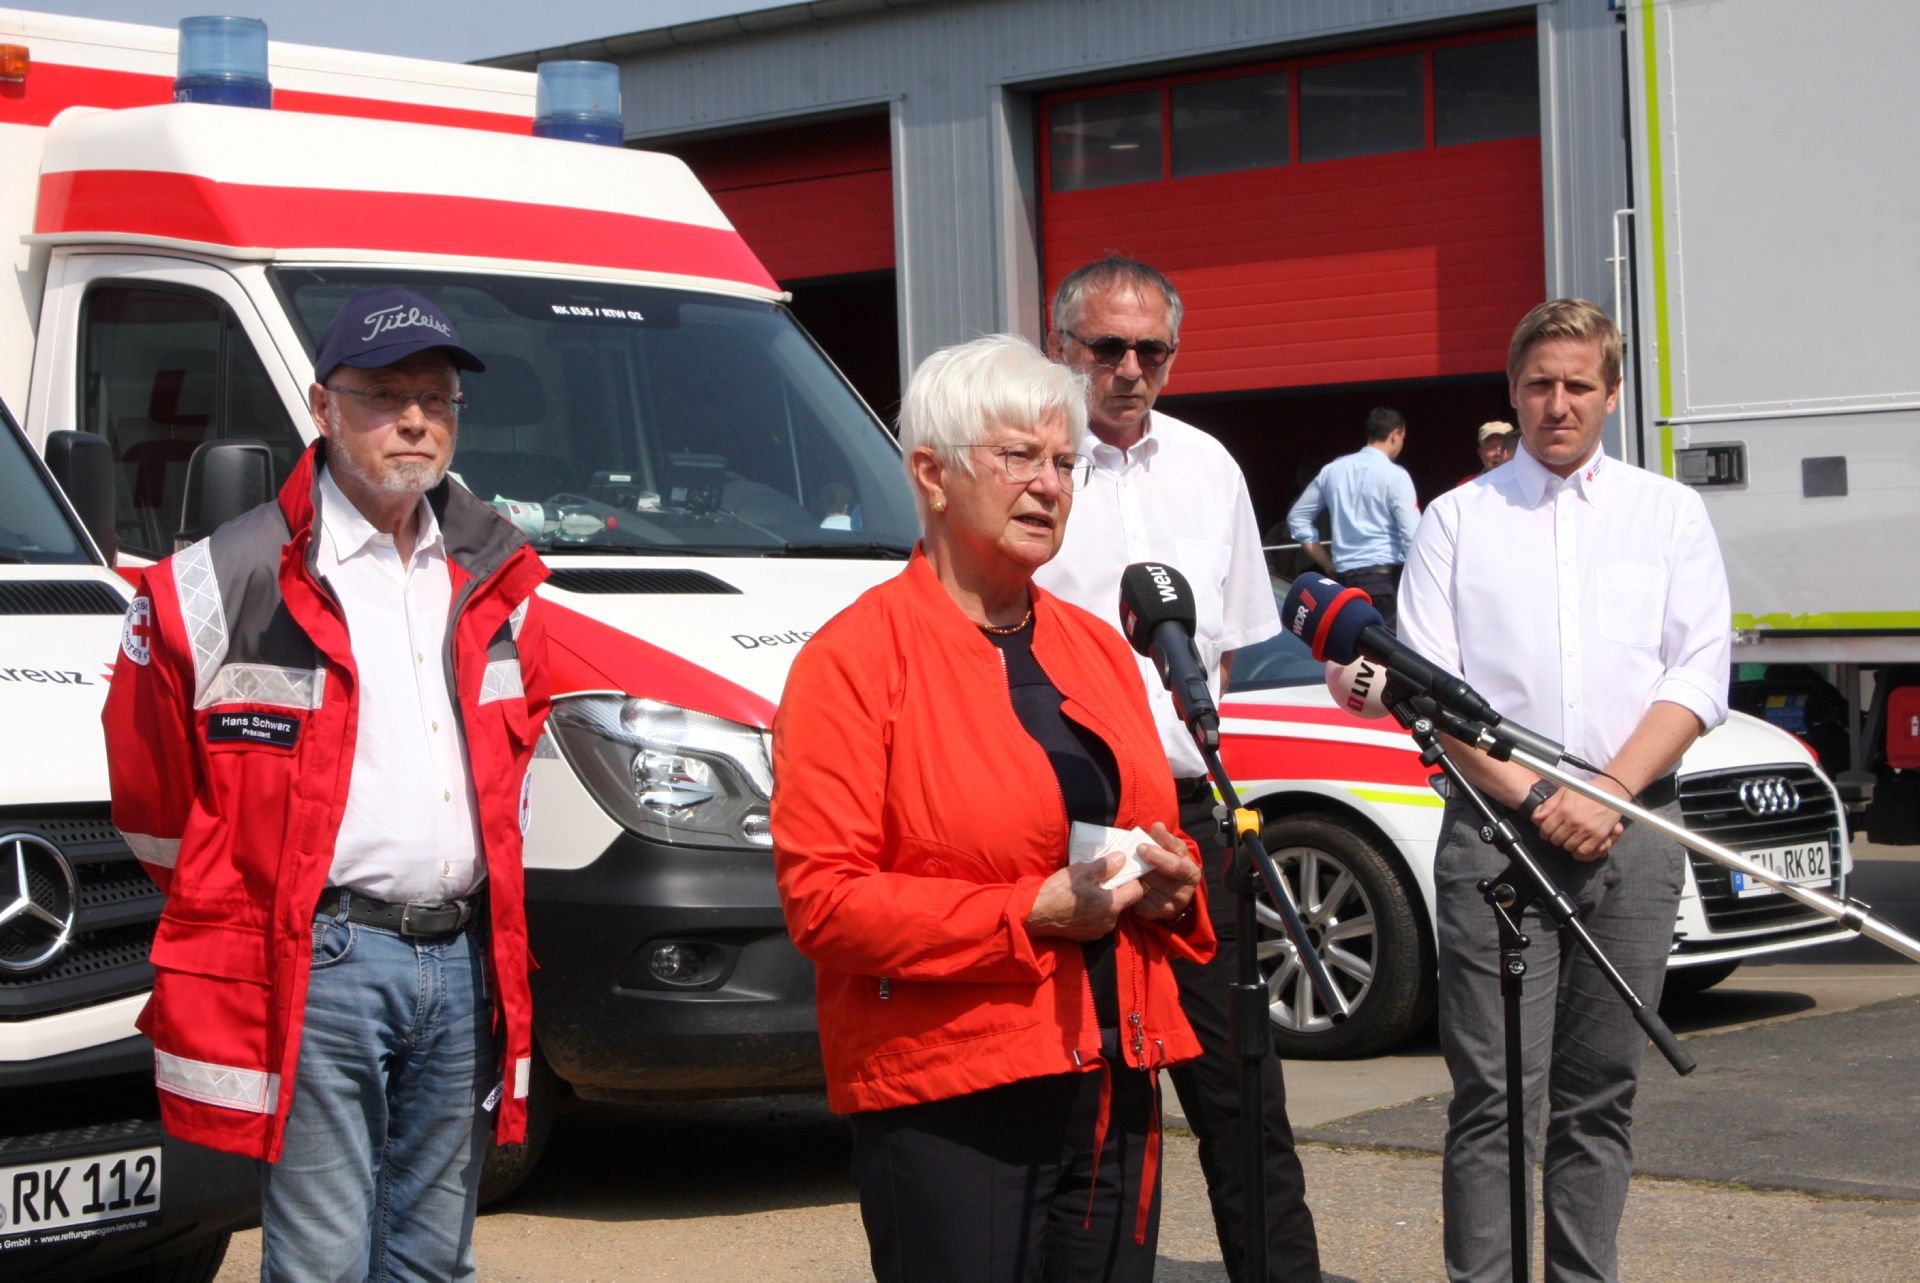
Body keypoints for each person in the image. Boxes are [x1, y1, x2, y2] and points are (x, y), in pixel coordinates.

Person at [103, 286, 552, 1281]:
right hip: (324, 960)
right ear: (319, 407)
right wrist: (243, 894)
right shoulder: (223, 578)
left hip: (465, 955)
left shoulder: (495, 571)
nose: (414, 420)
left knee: (434, 1259)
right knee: (321, 1259)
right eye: (384, 395)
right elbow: (149, 791)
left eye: (435, 399)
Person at [772, 333, 1214, 1283]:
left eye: (1064, 462)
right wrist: (1029, 912)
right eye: (1019, 456)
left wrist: (1172, 882)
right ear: (930, 473)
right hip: (951, 1091)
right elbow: (826, 901)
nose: (1050, 484)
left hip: (1113, 1072)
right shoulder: (853, 661)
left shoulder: (1098, 648)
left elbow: (1140, 825)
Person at [1397, 298, 1731, 1283]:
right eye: (1538, 383)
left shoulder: (1669, 514)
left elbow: (1698, 675)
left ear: (1612, 394)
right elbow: (1430, 695)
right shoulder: (1458, 518)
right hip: (1497, 840)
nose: (1557, 402)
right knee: (1495, 1095)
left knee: (1600, 1091)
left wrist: (1609, 791)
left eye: (1578, 384)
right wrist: (1541, 799)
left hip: (1634, 832)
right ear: (1512, 391)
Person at [1034, 256, 1322, 1283]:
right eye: (1106, 347)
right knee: (1092, 1109)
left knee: (1244, 1100)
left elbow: (1232, 648)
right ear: (1062, 343)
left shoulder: (1209, 467)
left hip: (1193, 812)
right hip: (1067, 819)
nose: (1129, 369)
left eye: (1151, 350)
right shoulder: (1031, 463)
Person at [1286, 406, 1421, 631]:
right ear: (1395, 434)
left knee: (1350, 654)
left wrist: (1326, 563)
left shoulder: (1333, 470)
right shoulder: (1396, 476)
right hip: (1385, 582)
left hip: (1344, 583)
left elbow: (1297, 518)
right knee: (1390, 658)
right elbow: (1413, 535)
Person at [1461, 419, 1516, 484]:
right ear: (1481, 453)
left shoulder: (1530, 478)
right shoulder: (1467, 486)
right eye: (1491, 447)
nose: (1498, 453)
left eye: (1505, 446)